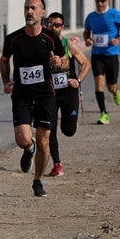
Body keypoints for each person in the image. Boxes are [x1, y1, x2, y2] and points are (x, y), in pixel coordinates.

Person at [0, 0, 67, 197]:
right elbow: (3, 60)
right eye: (26, 8)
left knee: (44, 138)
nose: (29, 12)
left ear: (42, 12)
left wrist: (58, 64)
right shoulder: (13, 39)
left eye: (33, 8)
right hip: (21, 94)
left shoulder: (50, 37)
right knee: (23, 139)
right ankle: (29, 149)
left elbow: (65, 62)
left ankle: (37, 180)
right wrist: (5, 81)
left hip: (46, 94)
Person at [44, 12, 90, 177]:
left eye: (57, 25)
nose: (53, 27)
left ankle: (72, 123)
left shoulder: (68, 44)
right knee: (49, 129)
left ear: (62, 27)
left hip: (68, 91)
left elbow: (85, 63)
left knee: (68, 130)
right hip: (50, 93)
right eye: (50, 24)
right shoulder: (42, 43)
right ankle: (57, 165)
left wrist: (77, 80)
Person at [83, 0, 120, 124]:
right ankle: (103, 114)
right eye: (97, 1)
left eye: (102, 1)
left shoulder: (115, 14)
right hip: (97, 55)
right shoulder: (91, 17)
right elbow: (86, 32)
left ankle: (116, 92)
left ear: (107, 1)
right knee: (99, 83)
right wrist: (87, 40)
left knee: (111, 86)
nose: (100, 3)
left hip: (111, 54)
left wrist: (119, 39)